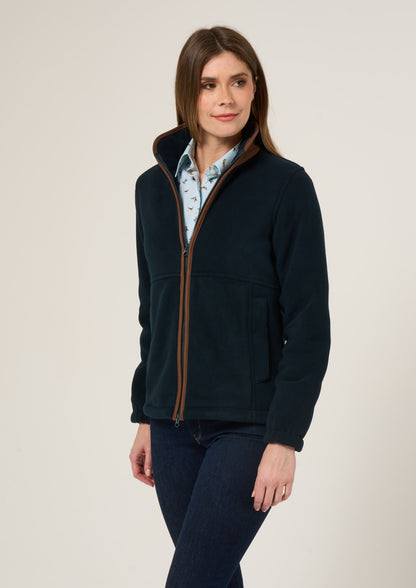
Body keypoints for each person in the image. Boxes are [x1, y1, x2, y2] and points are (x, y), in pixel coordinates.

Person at [129, 25, 331, 588]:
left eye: (239, 82)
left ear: (255, 88)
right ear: (187, 93)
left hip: (247, 426)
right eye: (209, 84)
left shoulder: (286, 187)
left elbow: (309, 325)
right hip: (171, 428)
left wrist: (285, 437)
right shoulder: (152, 189)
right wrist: (145, 412)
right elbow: (154, 311)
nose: (226, 98)